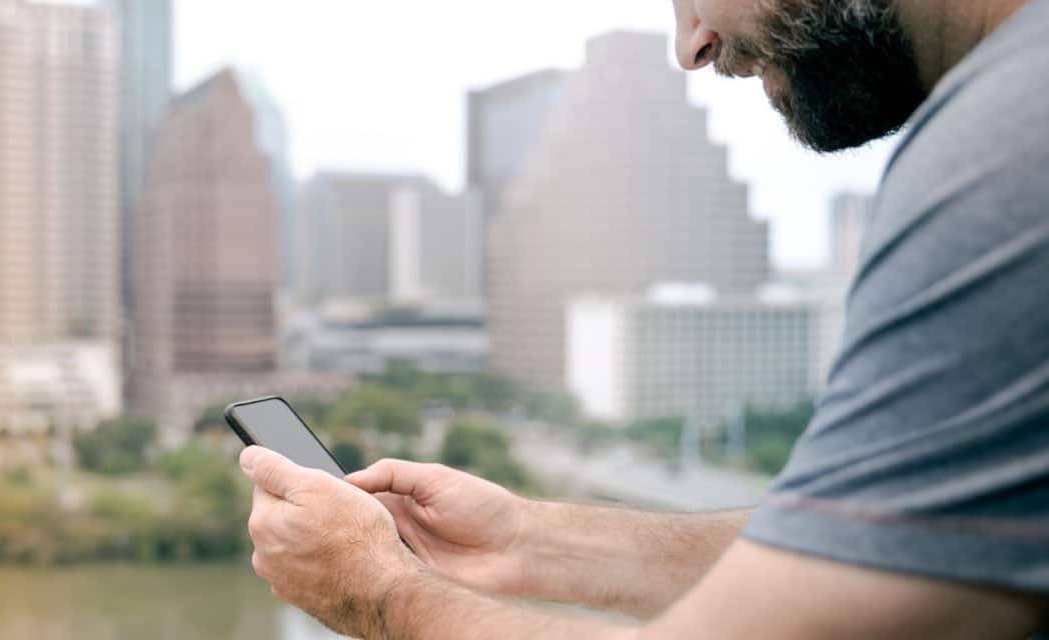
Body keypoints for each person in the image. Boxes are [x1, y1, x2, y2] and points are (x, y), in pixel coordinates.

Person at [239, 0, 1049, 637]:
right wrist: (529, 540)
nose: (690, 42)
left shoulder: (1008, 149)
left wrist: (375, 592)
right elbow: (880, 552)